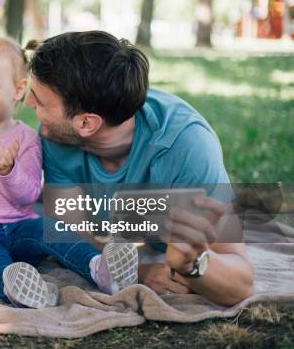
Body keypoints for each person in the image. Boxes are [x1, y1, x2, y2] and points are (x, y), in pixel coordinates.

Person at [24, 30, 254, 306]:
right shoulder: (55, 136)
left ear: (86, 123)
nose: (27, 103)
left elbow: (240, 280)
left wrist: (193, 264)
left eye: (38, 100)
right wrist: (140, 271)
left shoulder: (186, 147)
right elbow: (76, 235)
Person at [0, 36, 139, 309]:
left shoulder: (27, 139)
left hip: (19, 228)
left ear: (18, 90)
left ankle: (100, 268)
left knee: (52, 229)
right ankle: (14, 287)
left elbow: (28, 196)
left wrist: (9, 171)